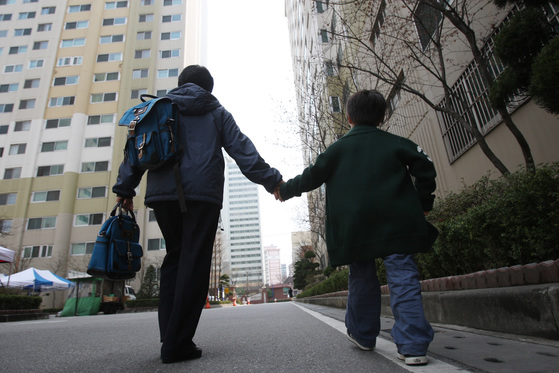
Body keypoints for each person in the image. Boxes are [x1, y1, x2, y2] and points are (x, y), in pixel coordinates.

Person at [113, 65, 283, 364]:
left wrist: (125, 189)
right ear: (208, 89)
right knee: (194, 264)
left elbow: (135, 150)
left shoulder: (157, 108)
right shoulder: (216, 112)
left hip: (163, 195)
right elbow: (242, 150)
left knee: (175, 259)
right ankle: (177, 344)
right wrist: (272, 180)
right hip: (202, 196)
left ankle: (170, 336)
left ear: (180, 85)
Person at [275, 90, 437, 366]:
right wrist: (423, 203)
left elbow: (311, 176)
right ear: (382, 117)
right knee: (403, 276)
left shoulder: (337, 149)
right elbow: (426, 167)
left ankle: (363, 335)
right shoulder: (395, 143)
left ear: (348, 117)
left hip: (355, 228)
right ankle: (413, 346)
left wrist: (284, 190)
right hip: (397, 223)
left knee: (361, 276)